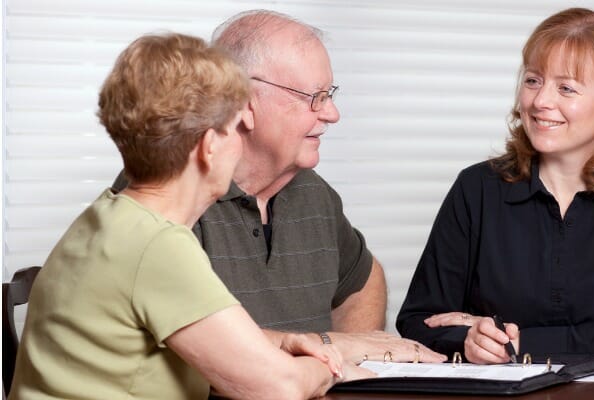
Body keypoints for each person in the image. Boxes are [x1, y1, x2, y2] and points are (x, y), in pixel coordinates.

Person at [10, 33, 372, 400]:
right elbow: (279, 388)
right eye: (236, 129)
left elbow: (204, 336)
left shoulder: (110, 219)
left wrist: (283, 342)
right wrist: (332, 363)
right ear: (209, 146)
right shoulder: (158, 247)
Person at [113, 10, 446, 365]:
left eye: (329, 93)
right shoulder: (165, 190)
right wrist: (334, 346)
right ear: (243, 101)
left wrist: (346, 366)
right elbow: (200, 342)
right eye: (315, 96)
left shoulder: (314, 193)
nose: (332, 114)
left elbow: (363, 280)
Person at [396, 8, 594, 366]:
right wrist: (471, 338)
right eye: (533, 80)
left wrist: (519, 341)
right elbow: (419, 322)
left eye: (566, 88)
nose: (540, 102)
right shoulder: (476, 188)